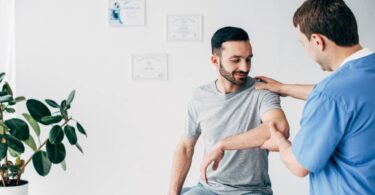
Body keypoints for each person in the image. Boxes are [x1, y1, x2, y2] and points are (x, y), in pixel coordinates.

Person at [201, 0, 375, 194]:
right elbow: (349, 96)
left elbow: (299, 165)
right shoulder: (361, 78)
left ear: (317, 41)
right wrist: (283, 88)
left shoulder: (330, 95)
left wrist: (282, 144)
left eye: (303, 44)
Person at [168, 26, 289, 195]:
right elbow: (185, 148)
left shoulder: (262, 90)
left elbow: (279, 127)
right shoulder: (200, 96)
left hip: (252, 190)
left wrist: (223, 145)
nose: (245, 67)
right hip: (208, 189)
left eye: (248, 59)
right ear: (215, 61)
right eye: (236, 60)